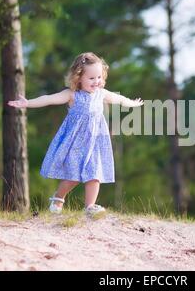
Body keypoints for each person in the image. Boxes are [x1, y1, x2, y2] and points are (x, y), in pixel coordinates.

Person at [8, 52, 144, 216]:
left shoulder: (101, 94)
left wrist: (132, 103)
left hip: (95, 142)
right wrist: (28, 103)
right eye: (91, 78)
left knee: (95, 174)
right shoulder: (72, 95)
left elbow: (119, 99)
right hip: (75, 143)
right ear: (78, 77)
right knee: (74, 176)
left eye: (99, 77)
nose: (97, 81)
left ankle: (89, 207)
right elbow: (49, 99)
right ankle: (58, 198)